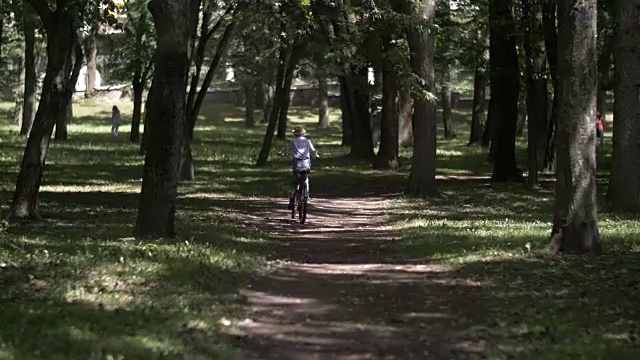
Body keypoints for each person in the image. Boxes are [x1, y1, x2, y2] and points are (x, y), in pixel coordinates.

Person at [278, 125, 319, 210]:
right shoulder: (308, 141)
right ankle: (306, 197)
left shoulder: (292, 141)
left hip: (297, 164)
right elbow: (313, 151)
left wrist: (281, 154)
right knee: (306, 179)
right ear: (303, 133)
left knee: (294, 181)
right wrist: (316, 155)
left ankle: (292, 199)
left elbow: (283, 151)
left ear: (295, 134)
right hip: (306, 164)